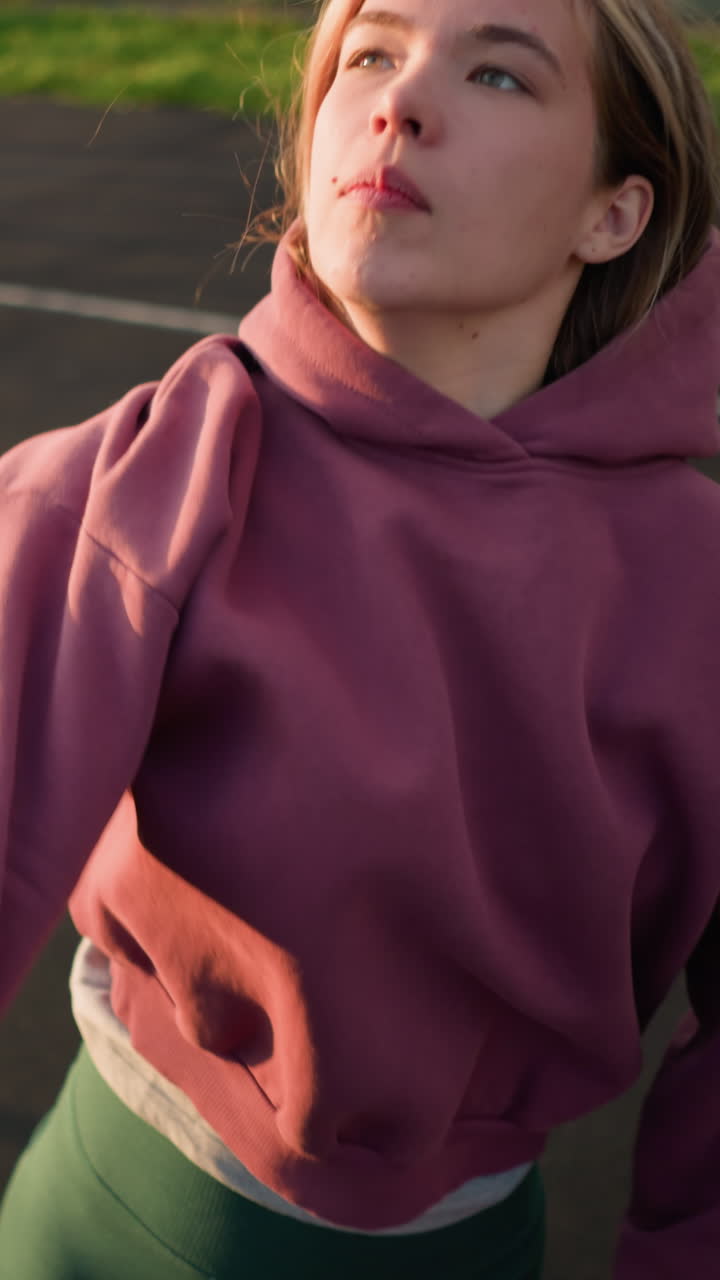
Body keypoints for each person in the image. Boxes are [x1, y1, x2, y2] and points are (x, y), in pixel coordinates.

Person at [0, 0, 719, 1274]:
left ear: (615, 212)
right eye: (371, 54)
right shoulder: (138, 483)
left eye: (499, 73)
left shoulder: (696, 585)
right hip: (105, 1218)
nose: (399, 101)